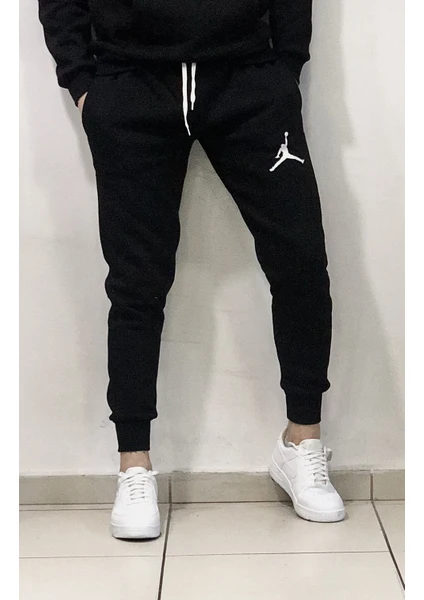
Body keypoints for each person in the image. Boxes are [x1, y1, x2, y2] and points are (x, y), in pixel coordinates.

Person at [38, 0, 345, 538]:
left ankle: (301, 441)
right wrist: (82, 81)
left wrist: (287, 65)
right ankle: (134, 466)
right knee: (136, 283)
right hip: (130, 83)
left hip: (247, 78)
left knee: (300, 260)